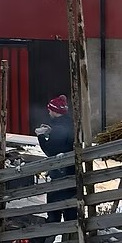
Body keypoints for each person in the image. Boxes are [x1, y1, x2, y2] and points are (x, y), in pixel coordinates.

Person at [36, 94, 77, 224]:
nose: (49, 112)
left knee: (54, 212)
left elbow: (51, 151)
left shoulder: (59, 128)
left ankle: (53, 233)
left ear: (55, 111)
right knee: (71, 212)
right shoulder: (69, 123)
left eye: (50, 110)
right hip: (72, 173)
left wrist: (41, 136)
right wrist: (50, 131)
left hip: (60, 175)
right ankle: (72, 234)